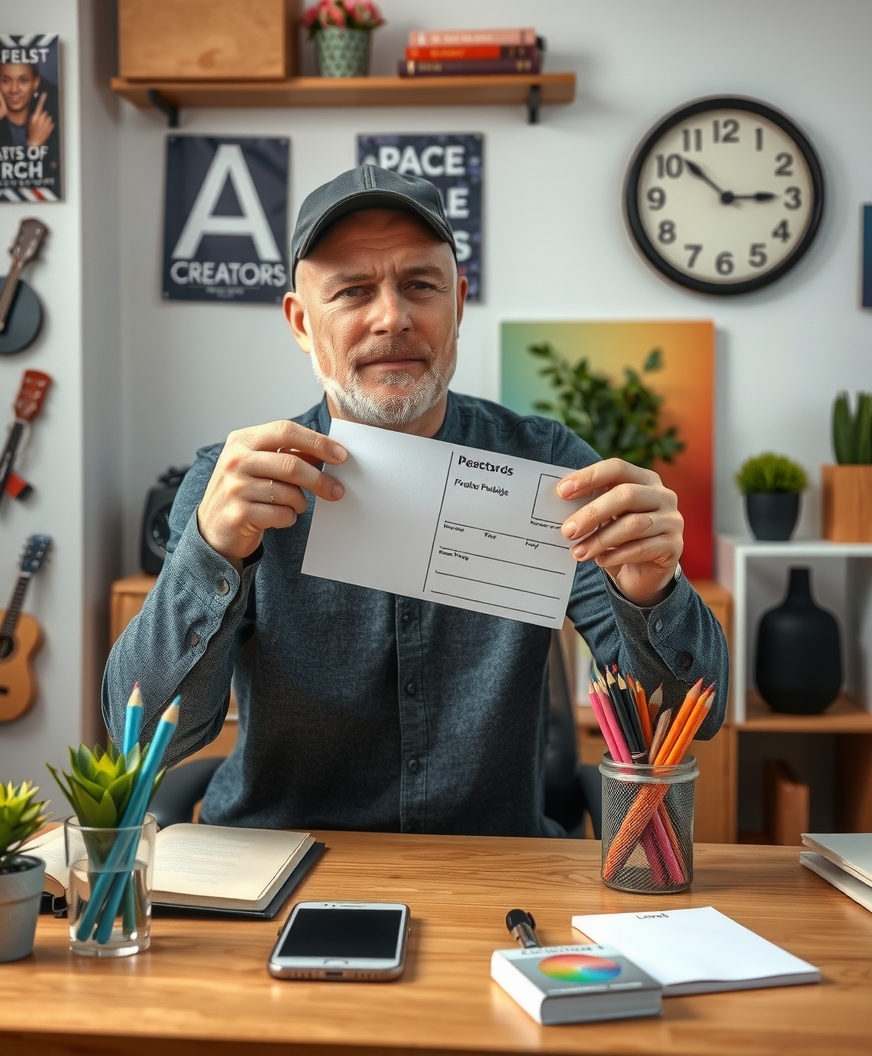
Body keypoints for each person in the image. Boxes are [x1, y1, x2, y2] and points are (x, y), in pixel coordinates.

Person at [103, 165, 728, 837]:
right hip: (280, 861)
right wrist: (212, 553)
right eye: (352, 291)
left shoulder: (551, 469)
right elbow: (141, 737)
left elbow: (684, 719)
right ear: (300, 321)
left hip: (494, 871)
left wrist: (652, 597)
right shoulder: (232, 485)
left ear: (456, 302)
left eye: (419, 286)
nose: (393, 317)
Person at [0, 61, 60, 183]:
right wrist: (33, 146)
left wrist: (35, 148)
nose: (14, 90)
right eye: (6, 81)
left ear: (36, 82)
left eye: (23, 80)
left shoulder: (52, 125)